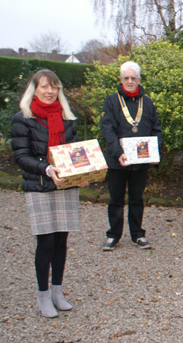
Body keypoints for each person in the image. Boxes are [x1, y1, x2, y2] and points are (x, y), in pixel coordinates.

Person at [10, 69, 85, 317]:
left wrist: (84, 172)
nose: (50, 91)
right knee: (46, 241)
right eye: (44, 86)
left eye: (54, 87)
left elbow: (75, 153)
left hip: (64, 185)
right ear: (35, 88)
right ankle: (43, 295)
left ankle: (57, 291)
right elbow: (21, 156)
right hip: (40, 185)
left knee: (61, 240)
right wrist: (45, 167)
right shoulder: (23, 119)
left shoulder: (68, 118)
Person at [100, 61, 162, 251]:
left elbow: (156, 129)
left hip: (141, 161)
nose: (129, 81)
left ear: (139, 80)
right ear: (120, 79)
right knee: (116, 199)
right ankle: (113, 235)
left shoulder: (148, 102)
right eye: (126, 78)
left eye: (133, 78)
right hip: (118, 161)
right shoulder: (112, 101)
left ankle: (138, 235)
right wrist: (118, 153)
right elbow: (107, 130)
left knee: (137, 199)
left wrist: (154, 152)